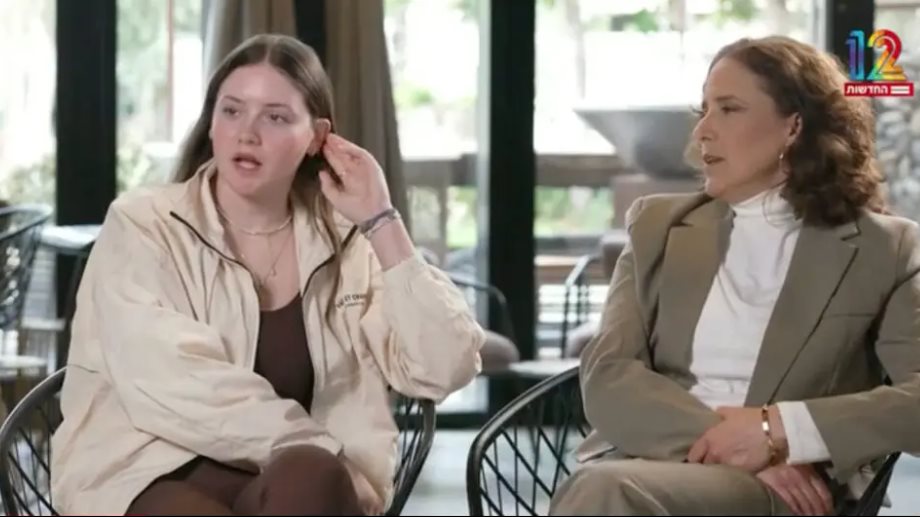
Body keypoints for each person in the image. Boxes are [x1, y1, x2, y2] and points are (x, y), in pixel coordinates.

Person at [50, 34, 485, 516]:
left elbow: (445, 367)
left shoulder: (348, 241)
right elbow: (174, 381)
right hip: (149, 469)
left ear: (317, 137)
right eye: (231, 111)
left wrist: (381, 220)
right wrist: (330, 454)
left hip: (290, 485)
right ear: (211, 123)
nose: (247, 133)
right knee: (314, 468)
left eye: (275, 117)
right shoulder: (144, 224)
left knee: (311, 477)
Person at [549, 35, 920, 516]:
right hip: (659, 457)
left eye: (728, 109)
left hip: (791, 489)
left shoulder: (886, 248)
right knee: (605, 486)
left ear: (793, 126)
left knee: (603, 491)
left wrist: (779, 431)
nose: (703, 130)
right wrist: (731, 445)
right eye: (703, 109)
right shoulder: (657, 225)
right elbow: (608, 375)